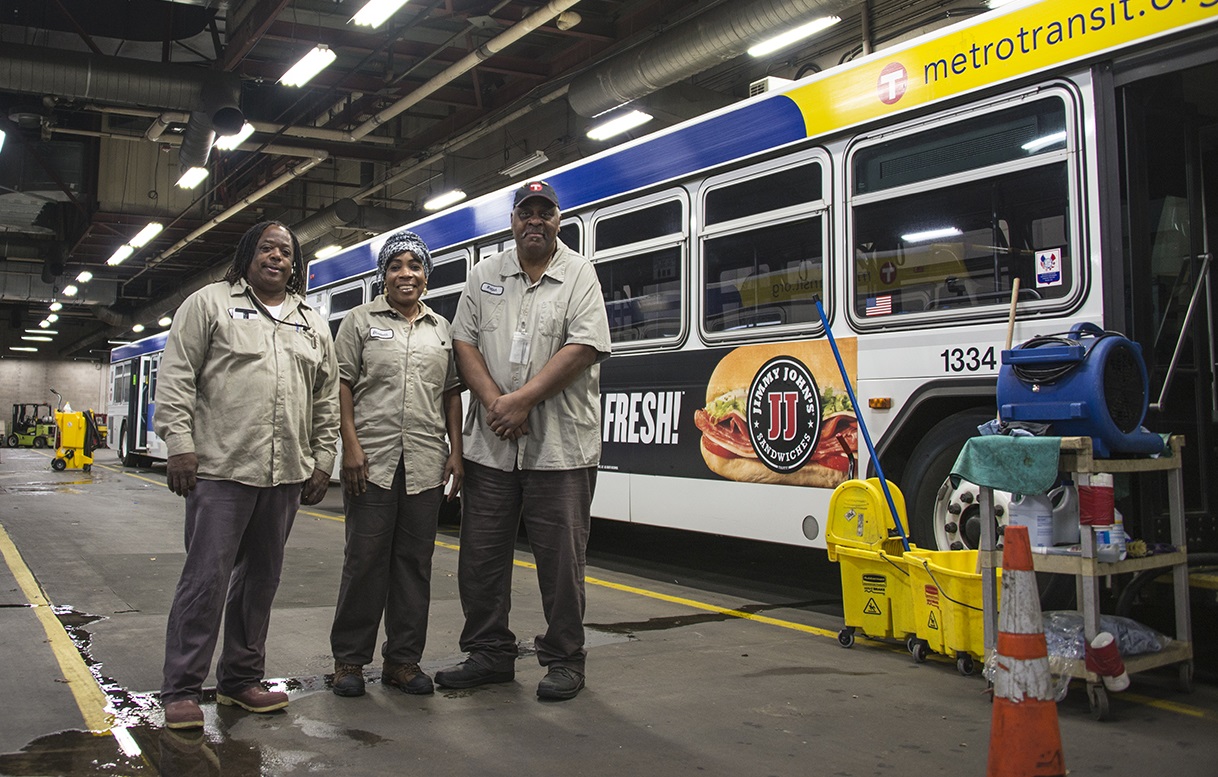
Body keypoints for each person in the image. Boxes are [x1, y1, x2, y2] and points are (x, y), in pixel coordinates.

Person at [155, 220, 340, 730]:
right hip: (220, 468)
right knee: (205, 580)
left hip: (284, 475)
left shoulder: (311, 321)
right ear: (248, 255)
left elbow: (326, 398)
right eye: (267, 248)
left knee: (261, 581)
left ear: (295, 263)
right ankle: (182, 689)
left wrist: (323, 459)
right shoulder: (208, 303)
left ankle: (240, 679)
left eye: (286, 251)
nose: (277, 257)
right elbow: (177, 377)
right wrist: (179, 446)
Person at [436, 180, 611, 701]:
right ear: (512, 221)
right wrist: (496, 402)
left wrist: (523, 400)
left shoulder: (579, 273)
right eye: (525, 212)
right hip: (491, 446)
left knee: (561, 561)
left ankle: (563, 659)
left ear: (560, 220)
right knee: (481, 556)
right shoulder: (484, 275)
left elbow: (584, 345)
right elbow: (463, 341)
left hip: (560, 448)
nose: (535, 220)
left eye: (545, 212)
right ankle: (489, 654)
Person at [328, 230, 463, 698]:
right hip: (371, 460)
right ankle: (349, 661)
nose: (406, 273)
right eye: (396, 265)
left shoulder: (441, 329)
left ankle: (403, 662)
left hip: (425, 461)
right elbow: (341, 384)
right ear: (383, 275)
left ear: (426, 276)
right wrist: (350, 446)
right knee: (364, 561)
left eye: (414, 266)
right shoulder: (359, 321)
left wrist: (457, 451)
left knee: (413, 564)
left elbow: (450, 394)